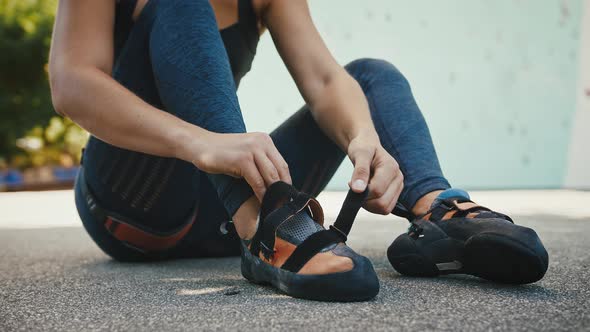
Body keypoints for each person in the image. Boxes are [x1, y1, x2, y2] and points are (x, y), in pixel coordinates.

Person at [49, 0, 548, 301]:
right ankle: (265, 230)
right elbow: (71, 81)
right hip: (133, 202)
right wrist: (198, 143)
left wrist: (363, 136)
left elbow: (327, 80)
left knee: (368, 78)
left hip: (214, 202)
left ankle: (439, 215)